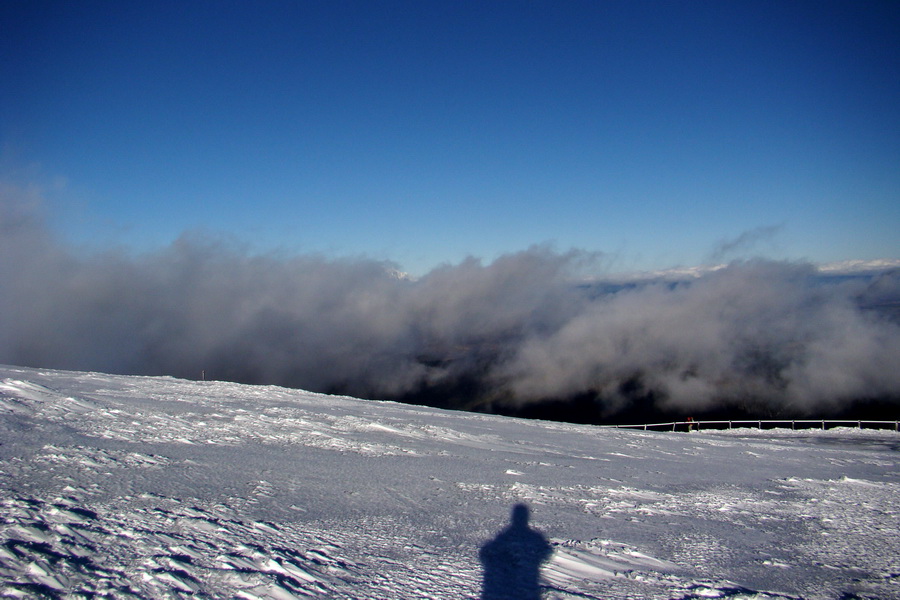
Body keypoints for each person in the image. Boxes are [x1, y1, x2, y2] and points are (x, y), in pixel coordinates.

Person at [479, 504, 552, 600]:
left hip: (508, 589)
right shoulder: (533, 538)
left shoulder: (503, 537)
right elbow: (546, 552)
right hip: (525, 589)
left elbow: (485, 554)